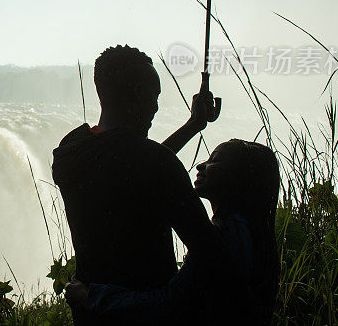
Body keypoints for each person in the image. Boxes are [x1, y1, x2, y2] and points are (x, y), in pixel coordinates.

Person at [52, 45, 231, 324]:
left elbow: (128, 164)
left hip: (90, 315)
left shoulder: (69, 153)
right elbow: (212, 256)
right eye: (154, 96)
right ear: (137, 93)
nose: (156, 106)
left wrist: (192, 126)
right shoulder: (154, 164)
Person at [65, 139, 281, 325]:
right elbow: (148, 166)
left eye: (215, 160)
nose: (201, 165)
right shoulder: (247, 232)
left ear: (240, 177)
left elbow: (171, 305)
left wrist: (91, 296)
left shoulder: (225, 236)